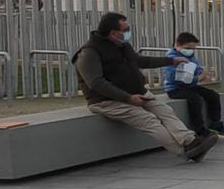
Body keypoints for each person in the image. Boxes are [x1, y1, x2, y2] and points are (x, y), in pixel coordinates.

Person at [74, 12, 216, 162]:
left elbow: (140, 61)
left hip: (137, 93)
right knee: (148, 120)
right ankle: (185, 150)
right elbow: (96, 83)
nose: (129, 32)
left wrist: (171, 61)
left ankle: (190, 140)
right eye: (126, 29)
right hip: (107, 100)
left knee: (165, 111)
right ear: (114, 33)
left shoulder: (122, 45)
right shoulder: (89, 52)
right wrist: (128, 98)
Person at [164, 32, 224, 139]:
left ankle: (215, 123)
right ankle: (200, 129)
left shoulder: (190, 55)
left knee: (213, 95)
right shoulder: (172, 58)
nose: (191, 51)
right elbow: (180, 79)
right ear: (177, 44)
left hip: (191, 86)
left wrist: (202, 74)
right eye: (188, 48)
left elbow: (197, 66)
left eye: (193, 48)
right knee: (195, 100)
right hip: (175, 89)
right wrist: (199, 78)